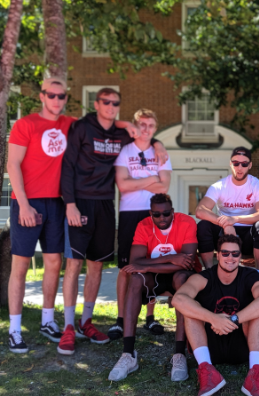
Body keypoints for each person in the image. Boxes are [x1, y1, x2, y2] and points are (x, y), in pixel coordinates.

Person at [60, 87, 167, 349]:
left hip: (106, 205)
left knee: (96, 266)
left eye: (115, 103)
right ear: (96, 104)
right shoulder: (82, 127)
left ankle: (87, 321)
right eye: (105, 102)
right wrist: (70, 204)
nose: (110, 106)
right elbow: (68, 166)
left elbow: (141, 133)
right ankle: (68, 326)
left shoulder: (121, 134)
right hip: (81, 202)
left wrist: (158, 143)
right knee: (74, 265)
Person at [7, 77, 75, 354]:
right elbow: (12, 164)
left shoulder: (70, 124)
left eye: (61, 96)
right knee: (21, 266)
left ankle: (48, 320)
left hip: (56, 202)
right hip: (27, 202)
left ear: (65, 98)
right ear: (42, 96)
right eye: (51, 95)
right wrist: (23, 205)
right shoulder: (25, 124)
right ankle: (14, 329)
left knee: (53, 262)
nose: (56, 100)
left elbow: (102, 127)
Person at [108, 193, 200, 382]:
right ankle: (128, 354)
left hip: (179, 276)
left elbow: (187, 263)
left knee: (182, 279)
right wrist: (170, 258)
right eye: (156, 215)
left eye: (166, 214)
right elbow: (135, 263)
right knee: (135, 279)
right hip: (154, 276)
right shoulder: (143, 225)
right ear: (151, 213)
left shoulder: (186, 222)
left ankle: (179, 354)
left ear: (172, 212)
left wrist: (148, 265)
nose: (162, 218)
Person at [171, 235, 259, 396]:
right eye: (225, 253)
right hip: (209, 344)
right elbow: (178, 299)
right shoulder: (204, 278)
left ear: (240, 256)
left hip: (243, 344)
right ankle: (207, 371)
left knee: (258, 311)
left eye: (235, 254)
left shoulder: (250, 276)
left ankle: (255, 374)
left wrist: (233, 320)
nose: (230, 258)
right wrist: (213, 318)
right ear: (217, 255)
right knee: (191, 309)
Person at [109, 109, 173, 341]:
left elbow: (163, 187)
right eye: (142, 124)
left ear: (155, 128)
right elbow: (122, 185)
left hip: (155, 213)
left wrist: (137, 182)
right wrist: (151, 180)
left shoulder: (161, 153)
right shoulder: (125, 151)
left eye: (150, 125)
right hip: (129, 213)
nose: (146, 129)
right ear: (136, 126)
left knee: (151, 263)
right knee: (125, 267)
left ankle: (150, 316)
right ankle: (120, 319)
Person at [194, 147, 259, 270]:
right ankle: (209, 271)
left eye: (244, 164)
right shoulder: (220, 186)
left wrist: (234, 219)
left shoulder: (258, 185)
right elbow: (200, 210)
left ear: (250, 165)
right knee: (203, 226)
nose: (239, 167)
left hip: (248, 235)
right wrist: (225, 224)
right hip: (224, 234)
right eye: (236, 163)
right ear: (230, 164)